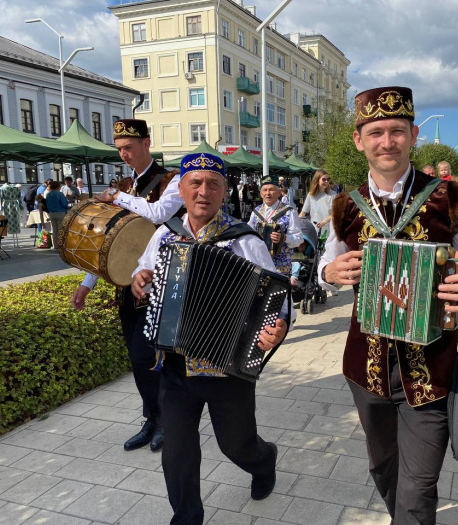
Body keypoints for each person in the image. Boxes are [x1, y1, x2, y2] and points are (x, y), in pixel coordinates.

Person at [318, 86, 458, 524]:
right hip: (366, 365)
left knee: (418, 489)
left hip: (431, 365)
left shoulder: (450, 198)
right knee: (383, 468)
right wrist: (329, 273)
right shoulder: (345, 205)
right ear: (360, 140)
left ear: (413, 135)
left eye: (397, 131)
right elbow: (326, 262)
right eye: (375, 132)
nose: (387, 141)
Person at [131, 152, 290, 524]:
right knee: (177, 453)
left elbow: (276, 299)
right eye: (195, 183)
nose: (204, 192)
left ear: (224, 191)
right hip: (173, 366)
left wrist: (276, 328)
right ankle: (187, 518)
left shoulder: (245, 240)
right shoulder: (165, 233)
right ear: (182, 189)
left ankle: (264, 461)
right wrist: (140, 279)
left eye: (213, 184)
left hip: (227, 367)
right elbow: (143, 267)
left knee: (236, 446)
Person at [71, 119, 183, 453]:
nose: (123, 155)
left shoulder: (170, 181)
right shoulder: (122, 184)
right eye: (119, 149)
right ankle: (151, 418)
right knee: (137, 359)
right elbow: (106, 242)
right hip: (126, 284)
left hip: (161, 281)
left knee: (153, 355)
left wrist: (117, 196)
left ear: (147, 143)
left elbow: (159, 212)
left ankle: (167, 419)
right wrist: (87, 282)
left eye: (129, 148)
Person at [249, 174, 303, 275]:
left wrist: (284, 237)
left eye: (271, 190)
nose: (268, 193)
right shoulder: (256, 212)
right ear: (261, 193)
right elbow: (248, 234)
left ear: (279, 192)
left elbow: (299, 239)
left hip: (280, 268)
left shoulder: (289, 212)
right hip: (259, 265)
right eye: (264, 190)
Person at [299, 170, 335, 236]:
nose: (326, 181)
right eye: (324, 179)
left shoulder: (333, 194)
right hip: (314, 230)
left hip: (329, 231)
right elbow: (303, 212)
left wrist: (324, 222)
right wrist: (297, 224)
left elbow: (335, 213)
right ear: (317, 180)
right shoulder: (310, 195)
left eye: (328, 179)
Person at [44, 180, 72, 249]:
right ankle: (61, 245)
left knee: (54, 229)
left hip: (51, 213)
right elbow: (64, 204)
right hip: (60, 212)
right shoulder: (59, 194)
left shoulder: (48, 194)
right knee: (61, 229)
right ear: (58, 187)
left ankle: (55, 245)